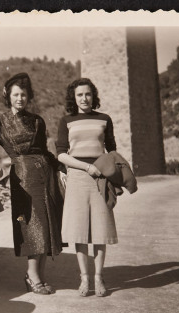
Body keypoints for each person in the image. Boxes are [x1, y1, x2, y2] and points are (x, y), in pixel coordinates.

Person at [0, 73, 62, 295]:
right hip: (23, 178)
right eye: (16, 94)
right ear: (8, 96)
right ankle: (31, 276)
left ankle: (40, 276)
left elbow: (44, 150)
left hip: (46, 175)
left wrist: (60, 168)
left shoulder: (38, 120)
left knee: (46, 225)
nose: (20, 98)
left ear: (29, 96)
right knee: (32, 225)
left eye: (24, 94)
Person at [56, 78, 118, 297]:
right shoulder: (66, 121)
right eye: (80, 94)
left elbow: (112, 152)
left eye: (88, 94)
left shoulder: (104, 119)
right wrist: (86, 167)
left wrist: (113, 176)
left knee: (100, 231)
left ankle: (99, 279)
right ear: (74, 98)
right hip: (77, 177)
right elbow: (61, 153)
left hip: (100, 178)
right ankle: (84, 280)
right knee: (79, 230)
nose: (84, 98)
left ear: (94, 96)